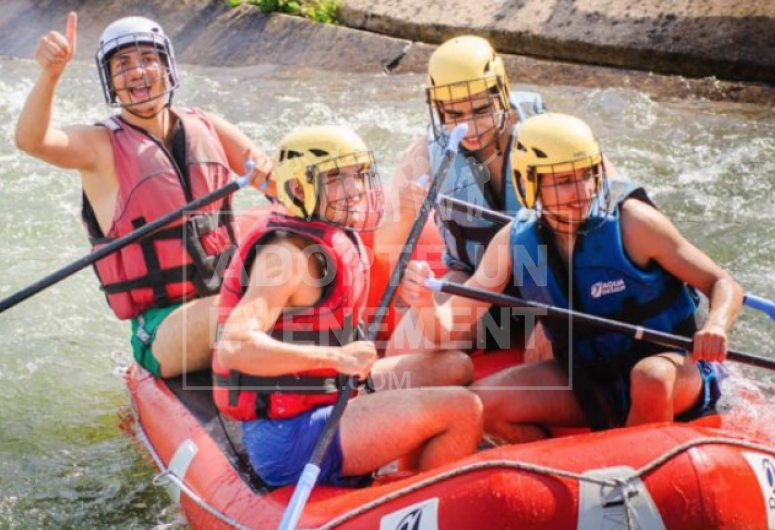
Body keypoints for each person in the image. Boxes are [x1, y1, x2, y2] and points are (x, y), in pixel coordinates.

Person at [399, 113, 741, 442]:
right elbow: (447, 327)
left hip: (673, 370)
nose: (582, 190)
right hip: (590, 377)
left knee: (649, 378)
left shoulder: (633, 224)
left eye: (587, 175)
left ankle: (633, 467)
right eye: (564, 181)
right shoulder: (515, 242)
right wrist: (425, 302)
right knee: (479, 404)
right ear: (528, 182)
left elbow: (723, 284)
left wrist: (716, 326)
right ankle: (561, 472)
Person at [213, 126, 482, 487]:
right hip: (290, 436)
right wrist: (337, 360)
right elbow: (235, 346)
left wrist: (406, 254)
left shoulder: (327, 231)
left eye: (357, 175)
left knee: (454, 367)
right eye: (337, 178)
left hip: (327, 396)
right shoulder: (284, 257)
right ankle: (411, 500)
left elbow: (344, 290)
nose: (354, 189)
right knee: (464, 411)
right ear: (297, 188)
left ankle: (404, 477)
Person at [14, 13, 273, 378]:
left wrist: (274, 173)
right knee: (242, 305)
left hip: (229, 296)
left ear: (167, 69)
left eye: (148, 59)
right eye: (123, 65)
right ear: (112, 83)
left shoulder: (207, 126)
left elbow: (279, 182)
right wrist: (50, 75)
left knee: (290, 276)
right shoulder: (99, 147)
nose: (138, 72)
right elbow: (31, 141)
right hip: (162, 327)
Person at [377, 35, 551, 358]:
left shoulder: (548, 132)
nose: (469, 128)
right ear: (438, 109)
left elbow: (614, 204)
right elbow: (383, 245)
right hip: (472, 279)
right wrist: (403, 215)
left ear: (502, 93)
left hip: (548, 285)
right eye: (454, 115)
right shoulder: (425, 152)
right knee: (403, 350)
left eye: (481, 110)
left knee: (543, 355)